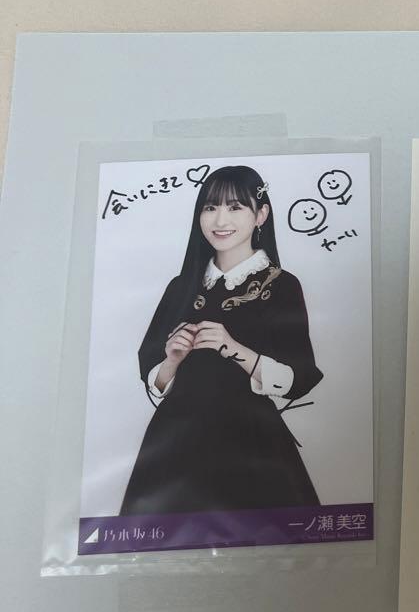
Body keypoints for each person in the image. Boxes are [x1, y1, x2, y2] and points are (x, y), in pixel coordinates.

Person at [120, 165, 323, 515]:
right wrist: (172, 359)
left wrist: (233, 348)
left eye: (235, 207)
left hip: (252, 442)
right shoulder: (181, 287)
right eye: (210, 207)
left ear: (261, 215)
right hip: (175, 442)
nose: (220, 220)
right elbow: (153, 376)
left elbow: (298, 379)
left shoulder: (282, 285)